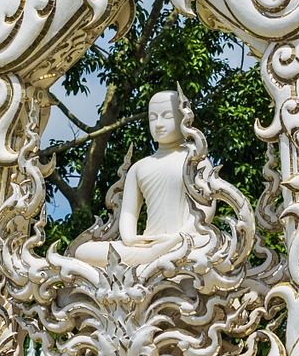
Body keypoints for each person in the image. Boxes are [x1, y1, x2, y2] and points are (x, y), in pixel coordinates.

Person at [74, 91, 210, 267]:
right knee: (83, 251)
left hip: (186, 240)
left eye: (167, 116)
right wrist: (131, 240)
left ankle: (156, 258)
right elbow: (129, 216)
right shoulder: (139, 167)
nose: (159, 124)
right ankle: (153, 257)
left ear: (183, 118)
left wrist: (177, 238)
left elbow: (205, 212)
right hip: (147, 245)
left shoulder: (196, 161)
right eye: (153, 118)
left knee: (205, 243)